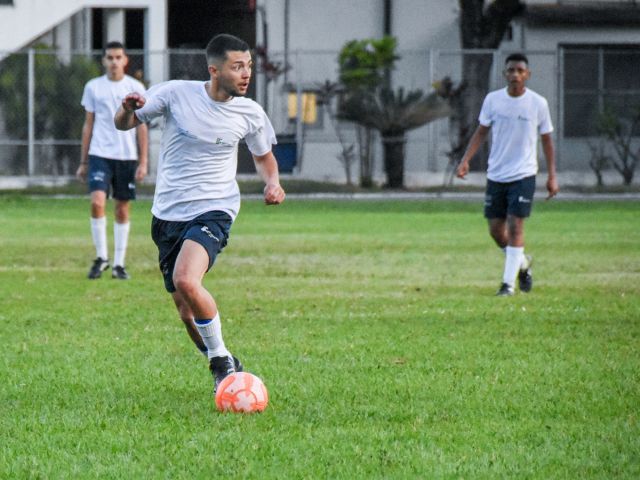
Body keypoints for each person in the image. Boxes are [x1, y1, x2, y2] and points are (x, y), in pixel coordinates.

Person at [114, 33, 286, 393]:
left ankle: (222, 363)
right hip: (167, 215)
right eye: (237, 66)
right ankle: (221, 361)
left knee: (187, 280)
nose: (246, 74)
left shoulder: (250, 112)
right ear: (214, 70)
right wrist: (129, 108)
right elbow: (123, 124)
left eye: (249, 66)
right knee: (184, 311)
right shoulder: (176, 94)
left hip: (215, 208)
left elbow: (263, 157)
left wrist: (272, 182)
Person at [456, 53, 559, 296]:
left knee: (515, 227)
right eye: (511, 70)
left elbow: (547, 140)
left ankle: (507, 285)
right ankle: (522, 263)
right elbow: (481, 132)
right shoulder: (493, 100)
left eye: (520, 70)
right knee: (495, 230)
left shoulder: (538, 103)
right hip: (497, 174)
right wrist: (466, 160)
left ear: (527, 75)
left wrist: (552, 175)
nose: (515, 74)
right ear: (505, 74)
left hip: (524, 174)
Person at [76, 41, 148, 280]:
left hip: (126, 157)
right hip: (99, 154)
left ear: (125, 60)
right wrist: (83, 161)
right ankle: (101, 257)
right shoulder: (93, 87)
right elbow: (89, 124)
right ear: (104, 60)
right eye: (110, 57)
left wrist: (144, 161)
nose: (114, 61)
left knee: (121, 207)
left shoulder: (135, 88)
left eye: (118, 57)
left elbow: (141, 127)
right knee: (97, 202)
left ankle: (119, 263)